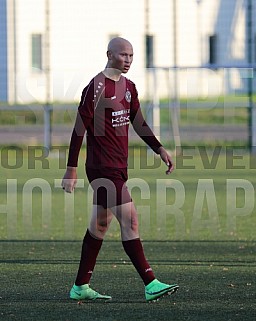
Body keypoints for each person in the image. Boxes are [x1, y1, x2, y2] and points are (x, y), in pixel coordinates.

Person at [61, 37, 179, 302]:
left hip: (118, 167)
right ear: (109, 54)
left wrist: (159, 148)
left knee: (100, 225)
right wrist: (71, 169)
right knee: (131, 219)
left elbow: (138, 122)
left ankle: (80, 285)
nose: (128, 60)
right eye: (123, 55)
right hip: (101, 168)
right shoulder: (96, 87)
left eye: (131, 56)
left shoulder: (129, 87)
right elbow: (79, 129)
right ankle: (150, 283)